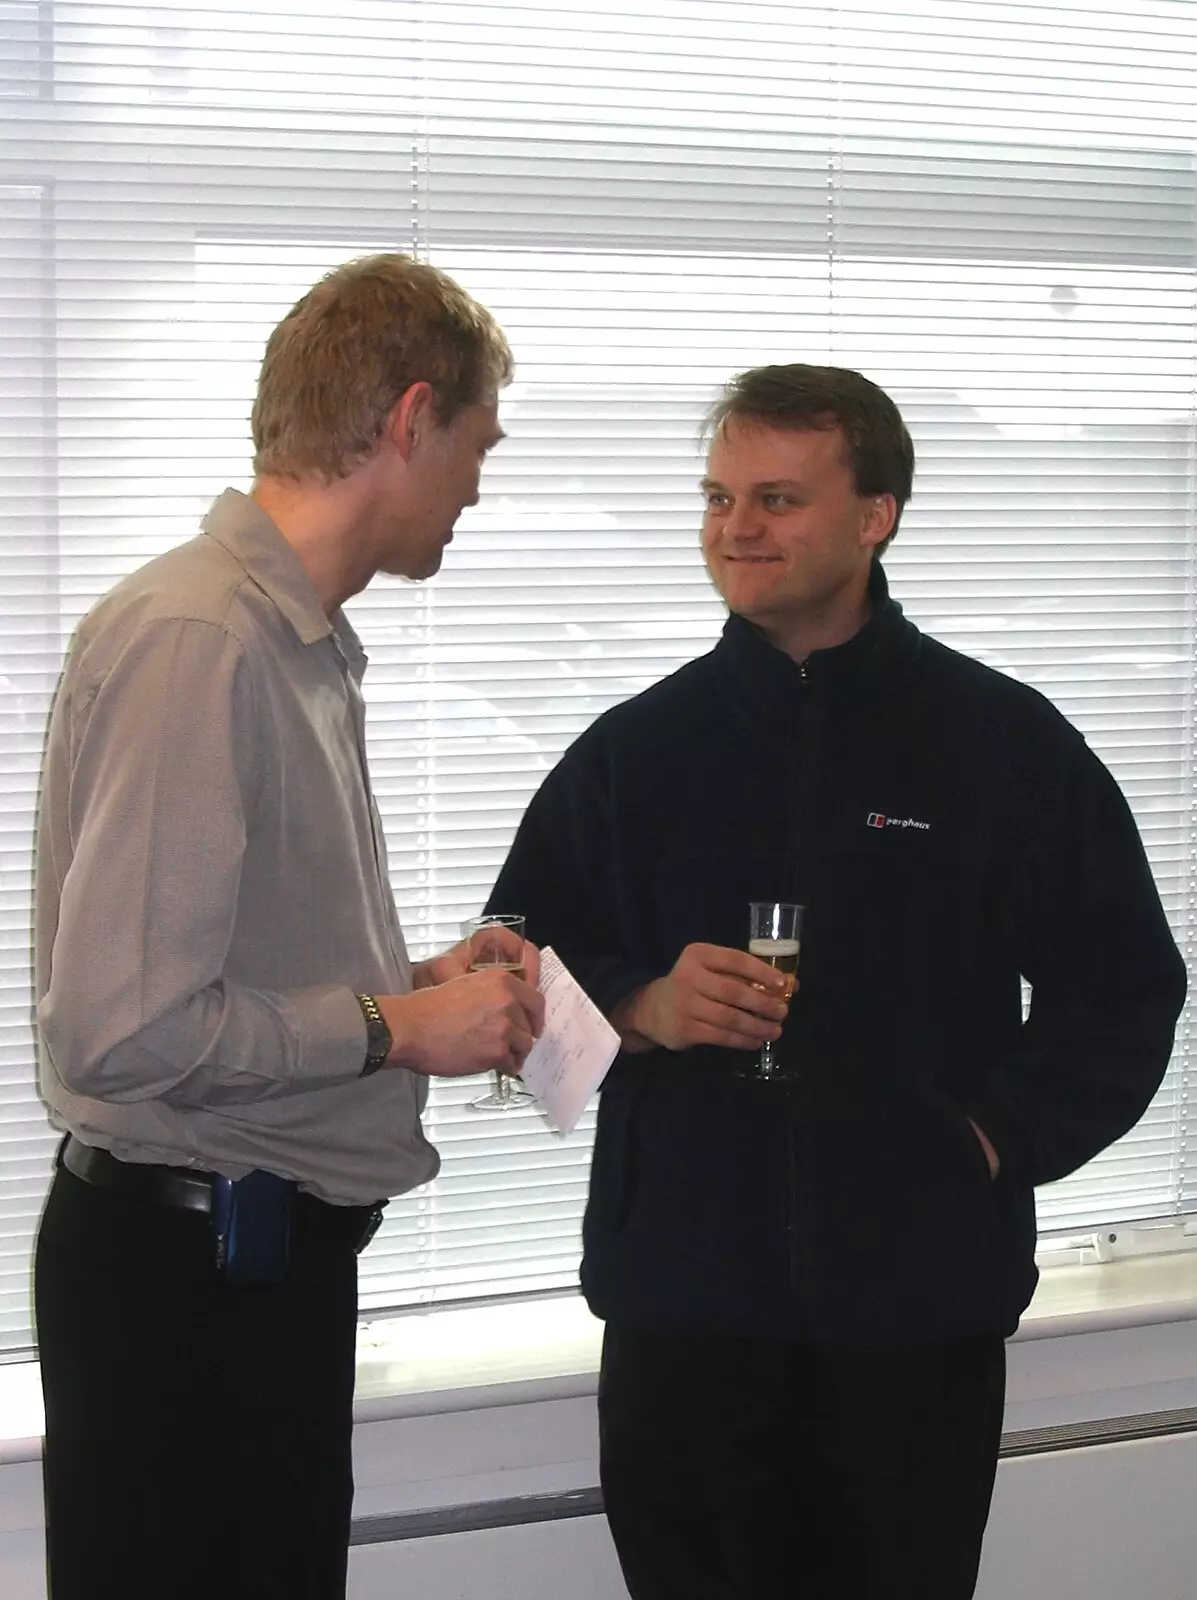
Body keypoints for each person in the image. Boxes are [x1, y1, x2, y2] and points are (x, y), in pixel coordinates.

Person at [487, 363, 1187, 1600]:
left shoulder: (1004, 747)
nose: (735, 530)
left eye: (775, 499)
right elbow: (505, 981)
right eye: (716, 499)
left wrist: (990, 1138)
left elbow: (1126, 987)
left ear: (877, 514)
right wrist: (641, 1008)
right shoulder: (633, 757)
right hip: (684, 1323)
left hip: (914, 1326)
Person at [33, 253, 544, 1600]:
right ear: (408, 420)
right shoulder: (204, 639)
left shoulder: (292, 641)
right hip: (190, 1286)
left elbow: (221, 976)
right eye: (478, 445)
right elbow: (128, 1027)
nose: (480, 486)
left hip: (247, 1274)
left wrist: (412, 987)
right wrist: (395, 1028)